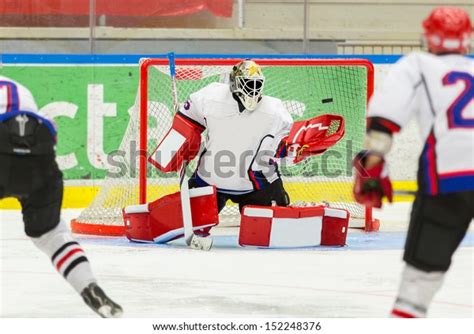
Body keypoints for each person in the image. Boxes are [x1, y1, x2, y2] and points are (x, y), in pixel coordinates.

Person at [353, 7, 473, 317]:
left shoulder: (417, 65)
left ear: (429, 36)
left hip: (447, 179)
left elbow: (384, 123)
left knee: (419, 282)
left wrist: (373, 167)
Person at [149, 59, 344, 214]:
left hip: (225, 182)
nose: (252, 89)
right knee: (273, 219)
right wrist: (294, 152)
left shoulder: (212, 96)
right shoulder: (275, 111)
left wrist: (175, 149)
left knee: (264, 228)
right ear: (235, 83)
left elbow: (186, 121)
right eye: (248, 84)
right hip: (235, 183)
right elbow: (277, 150)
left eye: (256, 84)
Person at [0, 75, 123, 318]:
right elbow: (48, 132)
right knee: (51, 235)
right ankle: (88, 286)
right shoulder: (19, 87)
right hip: (40, 163)